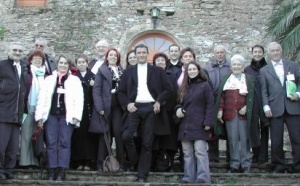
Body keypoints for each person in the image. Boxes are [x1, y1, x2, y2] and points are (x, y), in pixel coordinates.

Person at [118, 44, 172, 182]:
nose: (141, 55)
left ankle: (142, 175)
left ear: (147, 54)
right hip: (134, 108)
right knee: (126, 136)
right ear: (135, 55)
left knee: (147, 143)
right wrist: (127, 104)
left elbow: (168, 88)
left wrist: (159, 101)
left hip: (151, 108)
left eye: (143, 52)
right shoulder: (128, 72)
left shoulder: (157, 71)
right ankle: (135, 161)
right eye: (139, 53)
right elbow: (121, 92)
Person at [35, 55, 84, 180]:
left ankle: (62, 169)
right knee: (51, 143)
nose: (63, 65)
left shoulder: (74, 80)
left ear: (69, 65)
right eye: (61, 63)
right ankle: (51, 169)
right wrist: (40, 116)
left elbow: (79, 99)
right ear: (57, 64)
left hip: (66, 116)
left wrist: (77, 116)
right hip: (51, 116)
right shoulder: (49, 79)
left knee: (65, 143)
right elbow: (42, 98)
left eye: (65, 63)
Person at [260, 42, 300, 173]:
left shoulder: (292, 66)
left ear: (281, 51)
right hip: (274, 108)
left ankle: (298, 164)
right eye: (272, 51)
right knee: (276, 140)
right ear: (269, 53)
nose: (275, 53)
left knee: (297, 138)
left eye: (277, 50)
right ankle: (278, 165)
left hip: (292, 106)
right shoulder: (264, 70)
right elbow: (263, 91)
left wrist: (298, 94)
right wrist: (266, 107)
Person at [215, 54, 255, 173]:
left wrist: (247, 107)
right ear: (231, 67)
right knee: (232, 139)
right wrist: (220, 111)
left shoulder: (249, 79)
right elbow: (221, 96)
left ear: (243, 67)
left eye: (239, 64)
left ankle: (245, 164)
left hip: (243, 114)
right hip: (229, 113)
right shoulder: (226, 79)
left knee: (244, 139)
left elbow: (253, 96)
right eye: (234, 64)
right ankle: (234, 164)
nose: (236, 66)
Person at [175, 61, 213, 183]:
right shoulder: (183, 87)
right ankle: (188, 177)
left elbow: (210, 105)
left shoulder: (205, 85)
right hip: (185, 124)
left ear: (198, 70)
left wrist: (208, 122)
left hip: (200, 123)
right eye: (189, 70)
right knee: (187, 153)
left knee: (200, 151)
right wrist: (178, 109)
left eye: (193, 69)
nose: (191, 71)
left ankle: (203, 177)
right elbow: (178, 103)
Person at [91, 48, 124, 171]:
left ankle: (120, 164)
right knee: (105, 136)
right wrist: (99, 107)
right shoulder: (102, 70)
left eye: (115, 55)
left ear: (118, 57)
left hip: (118, 108)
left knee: (118, 134)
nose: (113, 57)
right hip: (105, 107)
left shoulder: (121, 70)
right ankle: (101, 164)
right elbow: (96, 90)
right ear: (107, 57)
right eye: (111, 55)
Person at [0, 42, 28, 180]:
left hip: (17, 114)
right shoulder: (2, 66)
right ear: (9, 50)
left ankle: (8, 169)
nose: (17, 52)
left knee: (13, 147)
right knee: (1, 145)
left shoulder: (24, 68)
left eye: (20, 50)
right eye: (15, 50)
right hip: (3, 112)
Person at [204, 45, 231, 163]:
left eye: (222, 52)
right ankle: (213, 157)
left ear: (225, 53)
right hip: (213, 101)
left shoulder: (231, 67)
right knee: (213, 130)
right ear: (214, 54)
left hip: (228, 101)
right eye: (217, 52)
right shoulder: (208, 68)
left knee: (229, 129)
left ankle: (231, 157)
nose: (219, 54)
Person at [19, 49, 46, 168]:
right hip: (28, 106)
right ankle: (25, 161)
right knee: (26, 134)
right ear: (30, 60)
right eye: (35, 58)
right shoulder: (27, 72)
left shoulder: (45, 74)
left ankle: (34, 161)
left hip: (41, 109)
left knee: (36, 135)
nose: (37, 60)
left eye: (40, 59)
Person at [71, 54, 98, 171]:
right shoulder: (73, 77)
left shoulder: (94, 77)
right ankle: (78, 162)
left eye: (83, 62)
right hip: (77, 111)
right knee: (77, 136)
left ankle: (87, 162)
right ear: (76, 64)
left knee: (88, 137)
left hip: (89, 111)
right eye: (79, 62)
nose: (81, 64)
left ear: (87, 63)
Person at [152, 52, 178, 172]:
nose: (160, 62)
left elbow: (173, 93)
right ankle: (156, 164)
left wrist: (163, 105)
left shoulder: (171, 75)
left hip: (167, 112)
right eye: (158, 60)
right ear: (154, 62)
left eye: (162, 60)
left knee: (169, 141)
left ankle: (170, 164)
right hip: (154, 113)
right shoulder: (150, 75)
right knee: (155, 141)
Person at [244, 45, 269, 164]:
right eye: (255, 52)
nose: (257, 54)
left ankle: (264, 156)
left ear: (263, 53)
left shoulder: (268, 68)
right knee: (253, 129)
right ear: (252, 53)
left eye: (260, 52)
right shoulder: (247, 70)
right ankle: (256, 154)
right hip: (252, 103)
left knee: (265, 128)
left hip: (266, 102)